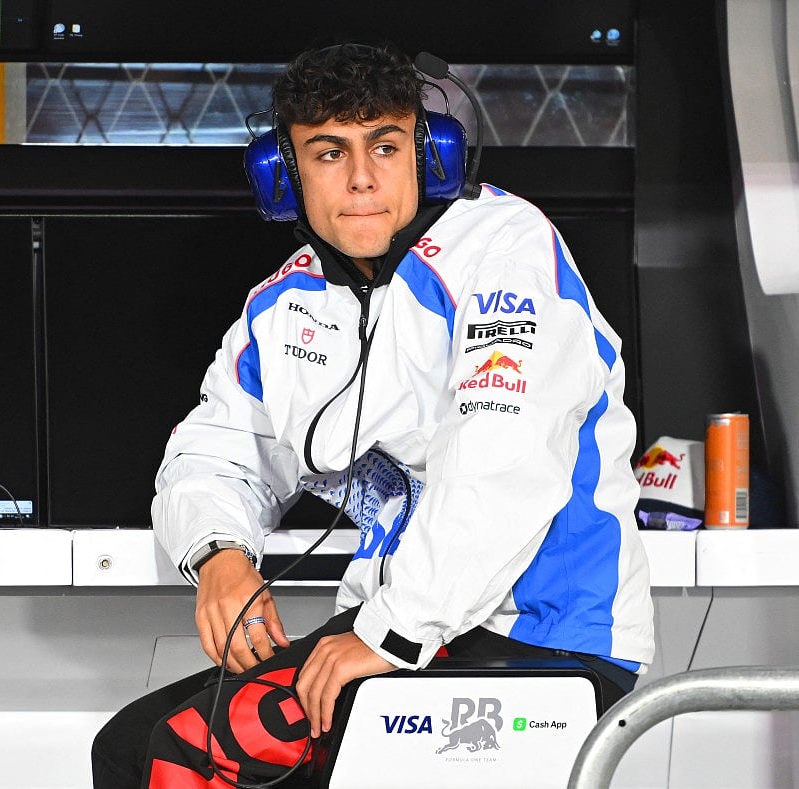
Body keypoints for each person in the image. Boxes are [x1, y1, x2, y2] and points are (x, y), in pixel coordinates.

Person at [91, 42, 654, 788]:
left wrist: (393, 632)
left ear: (430, 156)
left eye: (385, 147)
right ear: (284, 175)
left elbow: (503, 459)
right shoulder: (284, 303)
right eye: (329, 153)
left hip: (544, 636)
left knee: (186, 754)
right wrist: (220, 553)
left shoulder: (506, 249)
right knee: (127, 746)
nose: (361, 178)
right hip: (401, 624)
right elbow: (214, 451)